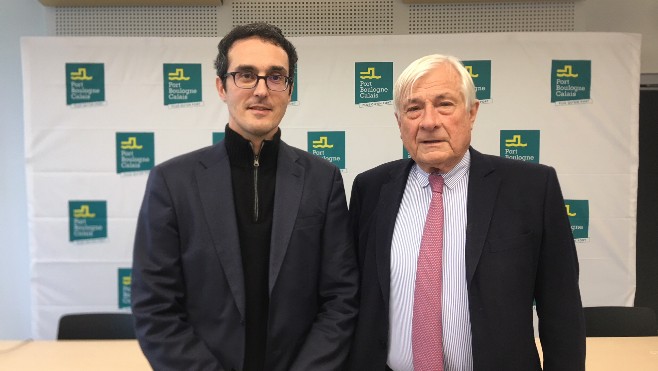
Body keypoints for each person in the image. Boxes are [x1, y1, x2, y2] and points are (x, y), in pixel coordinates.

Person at [131, 22, 358, 371]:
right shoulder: (172, 182)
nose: (261, 90)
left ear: (289, 88)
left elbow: (341, 298)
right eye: (246, 75)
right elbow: (155, 308)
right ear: (222, 86)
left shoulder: (322, 179)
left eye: (276, 77)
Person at [347, 54, 585, 371]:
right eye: (413, 109)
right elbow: (350, 298)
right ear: (399, 122)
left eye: (444, 104)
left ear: (472, 113)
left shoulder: (531, 188)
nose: (429, 122)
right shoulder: (371, 189)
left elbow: (562, 309)